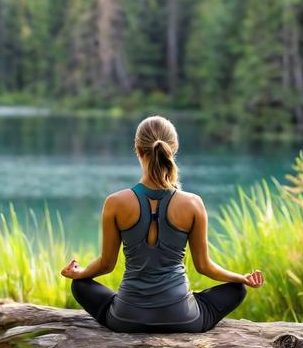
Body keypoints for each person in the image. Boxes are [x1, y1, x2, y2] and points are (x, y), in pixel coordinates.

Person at [61, 115, 264, 333]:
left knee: (80, 286)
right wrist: (241, 278)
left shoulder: (115, 203)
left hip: (126, 318)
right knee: (237, 290)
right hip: (183, 319)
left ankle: (133, 310)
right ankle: (180, 305)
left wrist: (79, 273)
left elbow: (106, 265)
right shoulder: (193, 203)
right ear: (173, 150)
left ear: (137, 150)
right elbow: (204, 267)